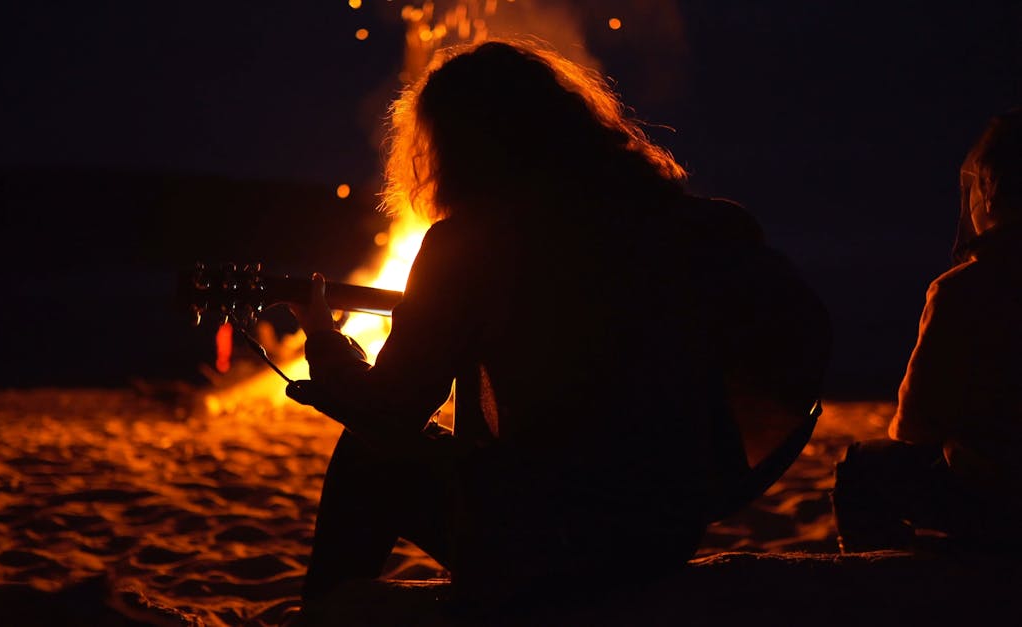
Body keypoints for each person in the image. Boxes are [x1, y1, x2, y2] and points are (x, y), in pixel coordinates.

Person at [287, 38, 829, 614]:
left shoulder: (467, 244)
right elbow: (801, 336)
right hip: (661, 536)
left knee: (366, 455)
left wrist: (326, 344)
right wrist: (729, 465)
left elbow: (391, 413)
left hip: (536, 543)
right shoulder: (701, 226)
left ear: (458, 146)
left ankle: (322, 615)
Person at [831, 108, 1022, 553]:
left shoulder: (965, 289)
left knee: (861, 466)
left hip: (997, 499)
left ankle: (887, 584)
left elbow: (918, 424)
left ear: (990, 194)